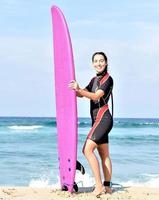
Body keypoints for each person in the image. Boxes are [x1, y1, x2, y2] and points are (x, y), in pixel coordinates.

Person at [69, 52, 113, 197]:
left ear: (106, 63)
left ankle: (99, 186)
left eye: (101, 61)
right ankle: (107, 187)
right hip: (98, 121)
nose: (98, 63)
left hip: (103, 119)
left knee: (86, 150)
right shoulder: (94, 79)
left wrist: (80, 90)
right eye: (96, 61)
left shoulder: (108, 79)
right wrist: (75, 90)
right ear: (92, 63)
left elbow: (95, 96)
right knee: (104, 154)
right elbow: (84, 93)